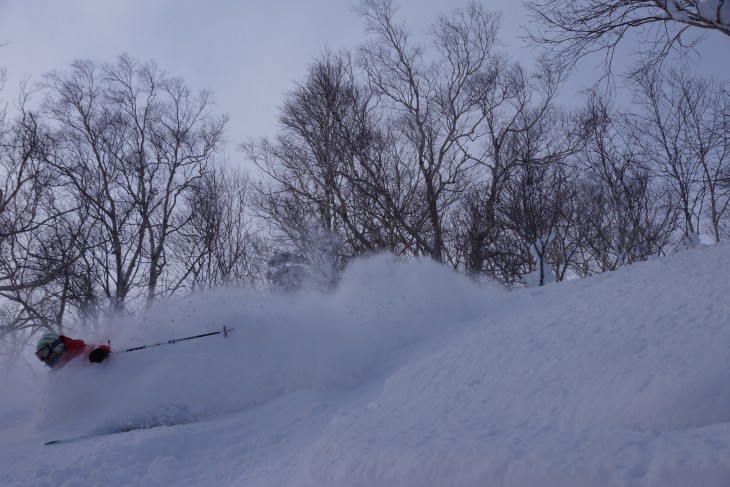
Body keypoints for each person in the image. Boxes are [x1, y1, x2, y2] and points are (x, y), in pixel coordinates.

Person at [35, 332, 112, 369]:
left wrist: (102, 350)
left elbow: (102, 343)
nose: (44, 359)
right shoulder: (57, 371)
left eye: (44, 352)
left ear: (57, 347)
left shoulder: (80, 352)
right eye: (40, 356)